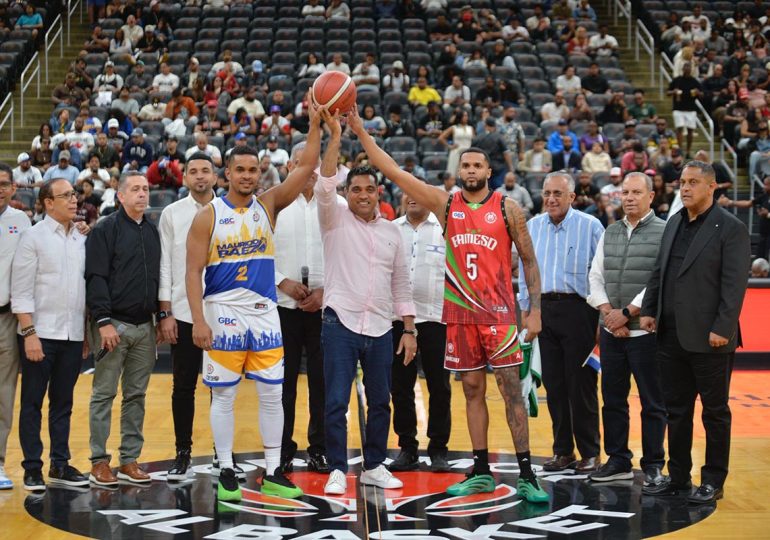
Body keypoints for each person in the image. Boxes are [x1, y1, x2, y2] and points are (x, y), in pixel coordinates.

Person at [348, 107, 549, 503]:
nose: (471, 170)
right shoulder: (445, 205)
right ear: (458, 171)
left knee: (510, 391)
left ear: (488, 171)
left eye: (478, 165)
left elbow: (528, 260)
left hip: (500, 315)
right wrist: (359, 128)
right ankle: (481, 470)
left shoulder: (508, 208)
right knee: (471, 390)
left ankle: (526, 473)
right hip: (458, 317)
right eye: (465, 165)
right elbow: (391, 170)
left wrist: (535, 309)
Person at [185, 103, 323, 503]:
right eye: (240, 170)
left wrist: (314, 125)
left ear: (260, 174)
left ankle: (275, 468)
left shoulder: (269, 205)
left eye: (253, 171)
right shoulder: (208, 216)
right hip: (223, 312)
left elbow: (306, 165)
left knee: (271, 394)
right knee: (224, 395)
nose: (247, 176)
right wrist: (198, 320)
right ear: (227, 173)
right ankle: (226, 468)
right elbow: (192, 272)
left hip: (265, 313)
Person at [313, 111, 416, 496]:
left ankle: (373, 465)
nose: (362, 195)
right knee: (336, 400)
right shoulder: (334, 218)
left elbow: (401, 283)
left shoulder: (392, 232)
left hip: (381, 327)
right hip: (340, 322)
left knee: (381, 402)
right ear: (347, 193)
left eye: (369, 189)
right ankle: (338, 468)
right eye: (355, 189)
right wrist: (336, 136)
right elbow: (324, 185)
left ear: (378, 194)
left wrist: (409, 329)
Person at [640, 160, 751, 504]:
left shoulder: (729, 227)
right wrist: (648, 309)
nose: (684, 188)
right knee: (677, 410)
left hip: (710, 338)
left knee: (715, 412)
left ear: (711, 187)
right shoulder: (674, 221)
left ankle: (713, 479)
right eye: (681, 182)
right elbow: (660, 270)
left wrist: (723, 327)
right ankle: (678, 476)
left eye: (692, 182)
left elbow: (734, 285)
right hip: (670, 334)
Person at [586, 172, 668, 491]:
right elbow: (595, 276)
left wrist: (626, 313)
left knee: (652, 402)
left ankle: (652, 465)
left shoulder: (664, 232)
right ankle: (618, 460)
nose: (629, 197)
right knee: (613, 401)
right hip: (613, 332)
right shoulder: (610, 231)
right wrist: (609, 315)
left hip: (646, 334)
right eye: (625, 192)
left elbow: (659, 281)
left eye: (636, 192)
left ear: (651, 196)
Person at [519, 172, 604, 475]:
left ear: (572, 197)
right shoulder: (532, 227)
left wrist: (601, 317)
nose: (551, 199)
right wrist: (528, 312)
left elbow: (602, 274)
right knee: (554, 385)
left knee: (581, 386)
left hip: (580, 310)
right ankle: (563, 451)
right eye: (547, 193)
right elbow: (525, 275)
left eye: (558, 193)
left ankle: (591, 452)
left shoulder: (591, 226)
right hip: (544, 310)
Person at [11, 179, 89, 492]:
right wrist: (29, 333)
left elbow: (82, 289)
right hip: (39, 334)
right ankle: (32, 468)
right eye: (66, 195)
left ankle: (60, 463)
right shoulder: (33, 237)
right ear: (48, 202)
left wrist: (83, 332)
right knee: (31, 403)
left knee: (63, 403)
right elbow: (21, 289)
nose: (74, 200)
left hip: (71, 334)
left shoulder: (82, 238)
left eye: (74, 194)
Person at [85, 171, 160, 487]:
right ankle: (99, 461)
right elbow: (96, 277)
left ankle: (130, 459)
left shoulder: (152, 231)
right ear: (120, 195)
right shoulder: (105, 229)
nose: (142, 194)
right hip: (112, 324)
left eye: (145, 189)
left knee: (136, 395)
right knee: (103, 394)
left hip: (145, 326)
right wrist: (102, 322)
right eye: (135, 189)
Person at [274, 142, 341, 475]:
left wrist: (325, 291)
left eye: (314, 165)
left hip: (326, 309)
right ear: (289, 167)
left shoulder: (338, 205)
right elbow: (256, 252)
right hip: (281, 307)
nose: (309, 171)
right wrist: (281, 282)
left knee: (323, 383)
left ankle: (320, 449)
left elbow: (349, 257)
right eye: (302, 164)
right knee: (281, 385)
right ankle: (282, 449)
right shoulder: (272, 204)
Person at [157, 153, 217, 481]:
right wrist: (164, 312)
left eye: (205, 170)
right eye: (193, 171)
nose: (199, 176)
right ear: (184, 178)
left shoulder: (229, 211)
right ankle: (183, 451)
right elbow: (165, 264)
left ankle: (223, 453)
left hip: (223, 313)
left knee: (224, 389)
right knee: (183, 387)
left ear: (215, 175)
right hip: (182, 311)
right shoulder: (171, 214)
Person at [387, 192, 452, 473]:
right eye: (407, 193)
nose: (411, 197)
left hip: (437, 320)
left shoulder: (445, 232)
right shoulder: (390, 230)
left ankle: (438, 449)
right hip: (397, 321)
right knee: (400, 387)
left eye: (417, 192)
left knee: (440, 388)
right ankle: (407, 448)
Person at [0, 164, 32, 490]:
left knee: (3, 393)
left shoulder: (22, 222)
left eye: (4, 184)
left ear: (13, 188)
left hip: (6, 318)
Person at [718, 176, 770, 260]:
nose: (764, 187)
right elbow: (748, 203)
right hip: (764, 235)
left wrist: (767, 214)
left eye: (766, 185)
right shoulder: (765, 196)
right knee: (760, 259)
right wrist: (730, 202)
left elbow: (766, 213)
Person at [667, 62, 702, 157]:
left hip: (690, 109)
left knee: (690, 130)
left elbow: (702, 93)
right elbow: (668, 92)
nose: (687, 70)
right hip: (678, 108)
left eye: (689, 68)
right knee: (679, 129)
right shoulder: (677, 80)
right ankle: (680, 150)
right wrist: (673, 92)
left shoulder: (694, 81)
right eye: (685, 68)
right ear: (682, 69)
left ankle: (688, 151)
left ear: (691, 70)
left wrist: (698, 92)